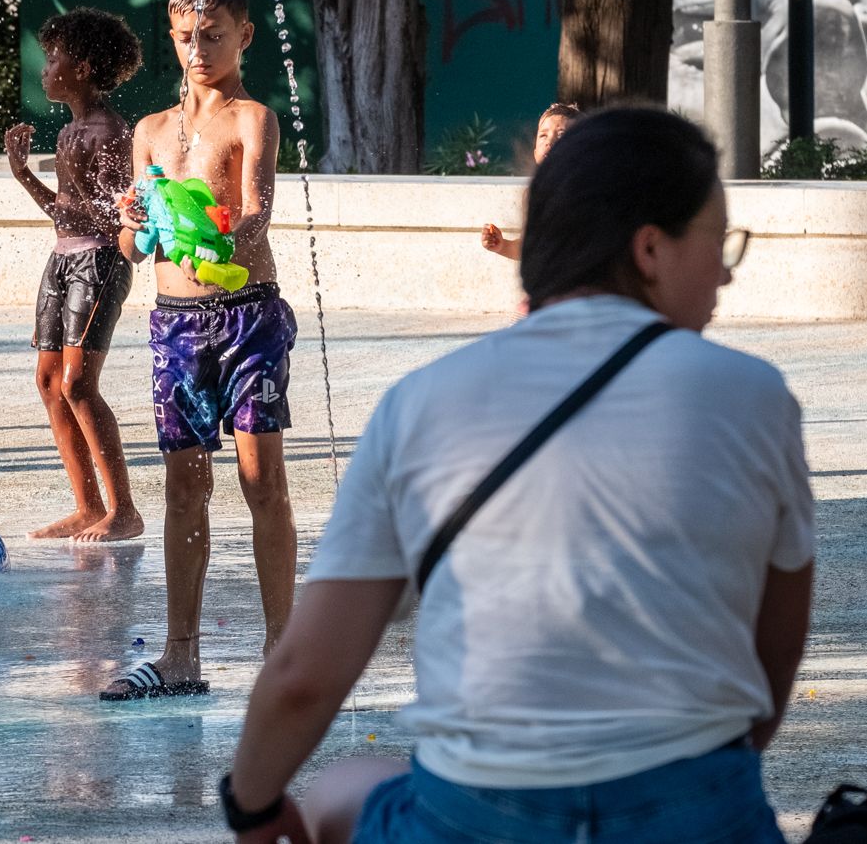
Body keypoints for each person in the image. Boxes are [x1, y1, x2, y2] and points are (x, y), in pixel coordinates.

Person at [220, 107, 813, 844]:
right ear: (652, 248)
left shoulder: (422, 401)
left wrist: (250, 805)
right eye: (718, 241)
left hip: (478, 815)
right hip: (696, 811)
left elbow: (304, 675)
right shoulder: (756, 396)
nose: (725, 269)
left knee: (340, 790)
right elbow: (772, 664)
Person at [100, 0, 296, 703]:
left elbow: (256, 211)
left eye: (213, 35)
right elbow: (134, 247)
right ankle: (181, 655)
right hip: (177, 324)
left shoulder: (252, 119)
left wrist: (217, 234)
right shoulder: (150, 132)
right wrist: (131, 217)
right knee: (186, 484)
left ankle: (282, 650)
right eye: (185, 36)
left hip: (248, 317)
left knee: (260, 479)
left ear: (244, 35)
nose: (198, 49)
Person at [3, 7, 145, 543]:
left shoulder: (108, 131)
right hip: (63, 258)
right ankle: (87, 506)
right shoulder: (69, 131)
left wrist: (56, 198)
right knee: (48, 381)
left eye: (53, 58)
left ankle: (123, 509)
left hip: (98, 263)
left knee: (78, 384)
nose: (44, 68)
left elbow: (116, 218)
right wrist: (23, 176)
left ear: (82, 68)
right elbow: (65, 211)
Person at [480, 102, 579, 262]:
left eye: (561, 135)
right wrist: (502, 246)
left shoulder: (588, 190)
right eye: (543, 135)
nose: (549, 141)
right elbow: (530, 247)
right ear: (535, 152)